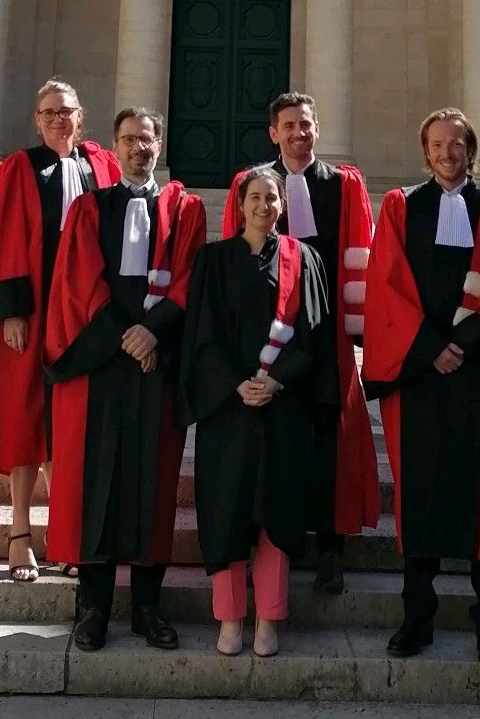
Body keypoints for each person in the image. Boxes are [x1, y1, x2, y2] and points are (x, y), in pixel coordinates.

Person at [361, 107, 480, 665]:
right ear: (425, 152)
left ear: (471, 149)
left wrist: (459, 345)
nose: (447, 152)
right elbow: (386, 285)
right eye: (437, 144)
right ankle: (417, 617)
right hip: (421, 378)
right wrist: (428, 349)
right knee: (421, 497)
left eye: (456, 143)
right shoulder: (399, 208)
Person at [44, 107, 207, 652]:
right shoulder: (90, 208)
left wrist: (152, 333)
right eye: (128, 140)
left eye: (147, 139)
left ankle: (147, 607)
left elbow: (189, 277)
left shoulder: (185, 211)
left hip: (155, 366)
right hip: (102, 366)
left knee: (152, 484)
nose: (139, 148)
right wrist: (125, 334)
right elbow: (79, 280)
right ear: (113, 148)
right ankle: (91, 609)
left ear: (161, 145)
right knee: (97, 484)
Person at [222, 92, 379, 594]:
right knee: (265, 436)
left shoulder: (343, 185)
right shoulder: (252, 185)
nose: (297, 133)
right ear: (273, 132)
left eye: (305, 124)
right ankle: (259, 542)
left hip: (327, 334)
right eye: (288, 125)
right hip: (270, 336)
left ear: (317, 129)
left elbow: (360, 253)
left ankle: (330, 548)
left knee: (328, 436)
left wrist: (358, 331)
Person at [181, 167, 337, 658]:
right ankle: (229, 618)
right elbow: (201, 335)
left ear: (283, 206)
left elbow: (314, 333)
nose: (263, 206)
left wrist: (276, 379)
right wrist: (236, 382)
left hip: (282, 406)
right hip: (227, 410)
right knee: (226, 512)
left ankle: (269, 617)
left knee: (277, 513)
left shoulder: (305, 259)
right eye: (254, 197)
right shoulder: (212, 260)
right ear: (239, 203)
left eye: (271, 198)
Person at [0, 79, 121, 582]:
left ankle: (66, 532)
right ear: (36, 119)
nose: (59, 119)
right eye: (49, 112)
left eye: (67, 111)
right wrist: (10, 310)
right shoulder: (21, 168)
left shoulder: (101, 166)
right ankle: (20, 530)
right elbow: (5, 236)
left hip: (85, 314)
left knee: (75, 422)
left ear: (82, 117)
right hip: (33, 312)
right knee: (22, 415)